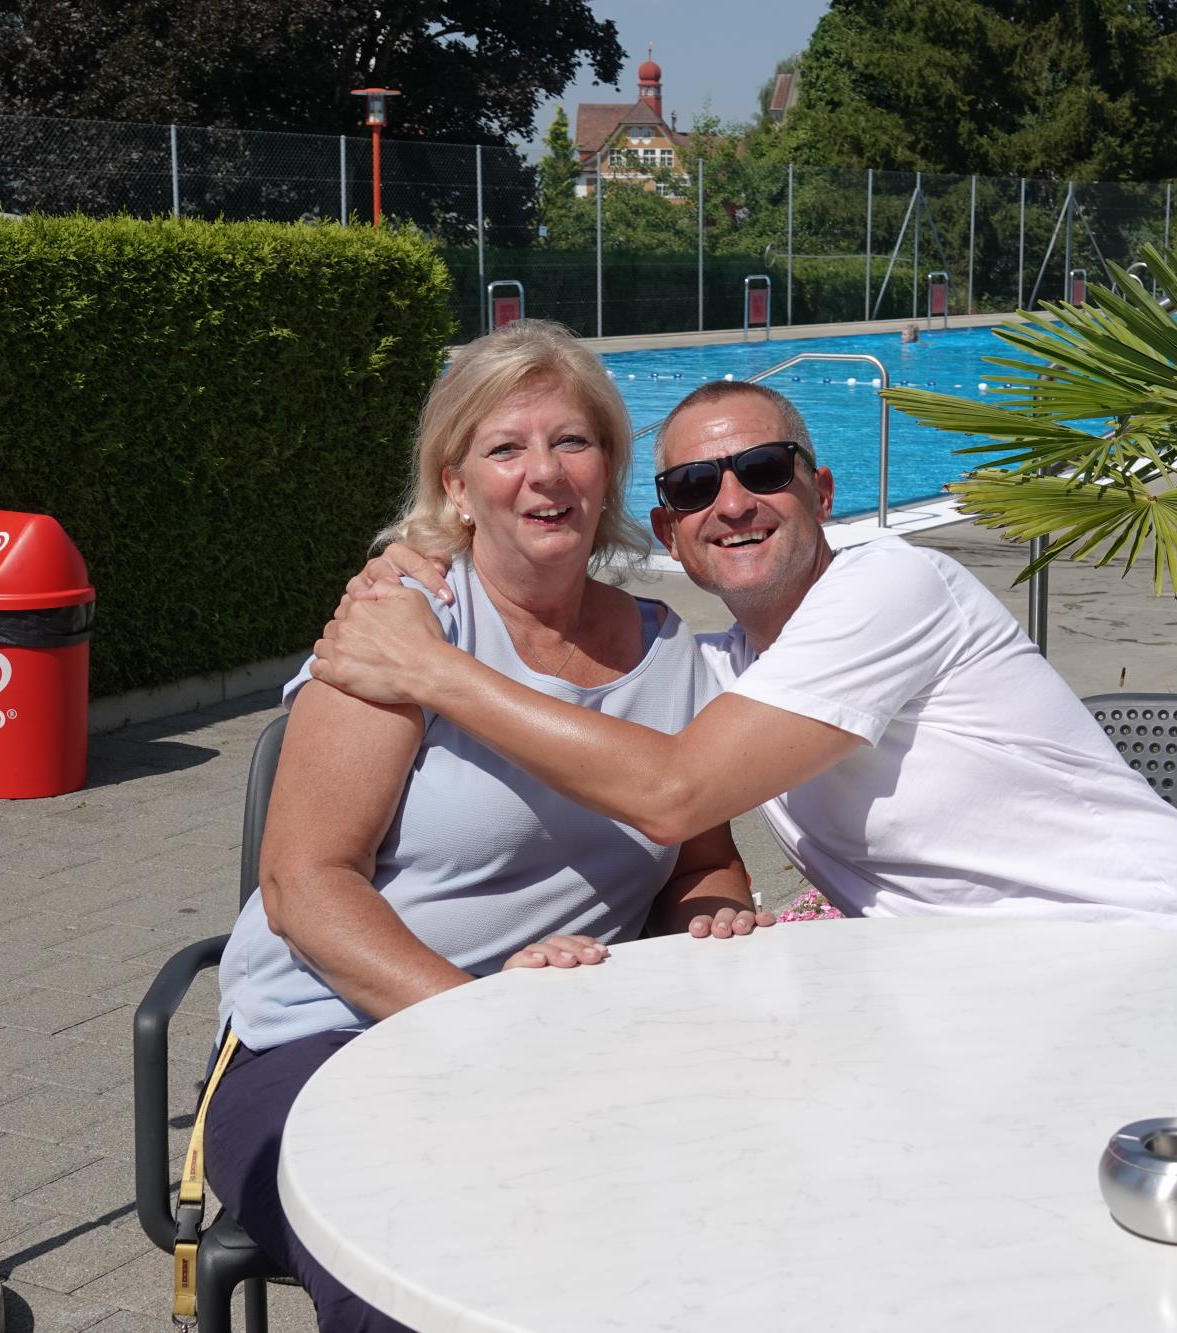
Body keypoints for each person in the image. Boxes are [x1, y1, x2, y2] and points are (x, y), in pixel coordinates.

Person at [208, 324, 770, 1333]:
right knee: (427, 1261)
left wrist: (713, 917)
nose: (542, 474)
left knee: (722, 1219)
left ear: (606, 474)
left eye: (572, 442)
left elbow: (704, 857)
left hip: (560, 1038)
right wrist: (479, 1024)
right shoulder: (404, 622)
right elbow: (303, 883)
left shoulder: (672, 656)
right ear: (455, 487)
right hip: (329, 1037)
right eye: (505, 448)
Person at [309, 379, 1177, 944]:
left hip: (1144, 942)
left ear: (821, 490)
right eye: (693, 486)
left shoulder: (892, 587)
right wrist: (422, 560)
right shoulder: (716, 668)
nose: (732, 501)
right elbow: (701, 850)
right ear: (668, 533)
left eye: (763, 470)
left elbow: (673, 795)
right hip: (974, 985)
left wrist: (431, 669)